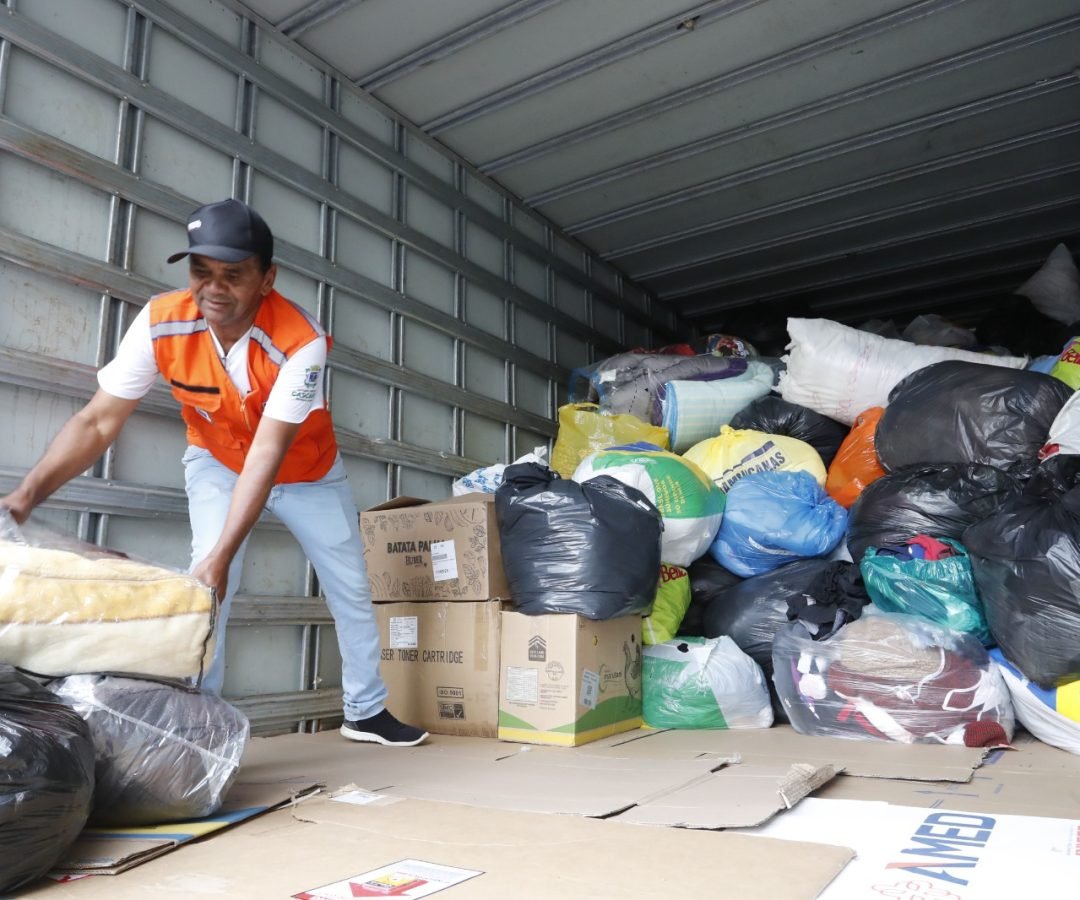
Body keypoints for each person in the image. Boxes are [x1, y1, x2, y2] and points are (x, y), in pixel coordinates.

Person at [0, 198, 428, 747]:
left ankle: (366, 711)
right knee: (208, 587)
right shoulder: (161, 322)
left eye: (233, 275)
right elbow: (98, 420)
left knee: (349, 587)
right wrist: (26, 496)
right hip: (218, 461)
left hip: (308, 473)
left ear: (267, 279)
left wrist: (227, 552)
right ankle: (203, 728)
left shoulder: (302, 342)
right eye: (202, 272)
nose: (213, 289)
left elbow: (269, 453)